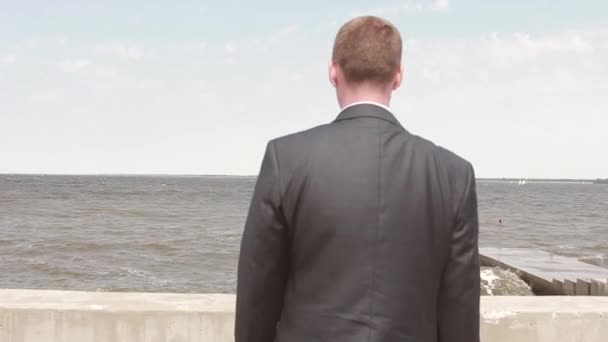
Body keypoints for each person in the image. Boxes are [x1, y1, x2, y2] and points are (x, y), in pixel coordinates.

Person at [236, 16, 479, 342]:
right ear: (398, 76)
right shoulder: (454, 175)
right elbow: (460, 315)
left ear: (333, 72)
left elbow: (257, 297)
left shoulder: (286, 159)